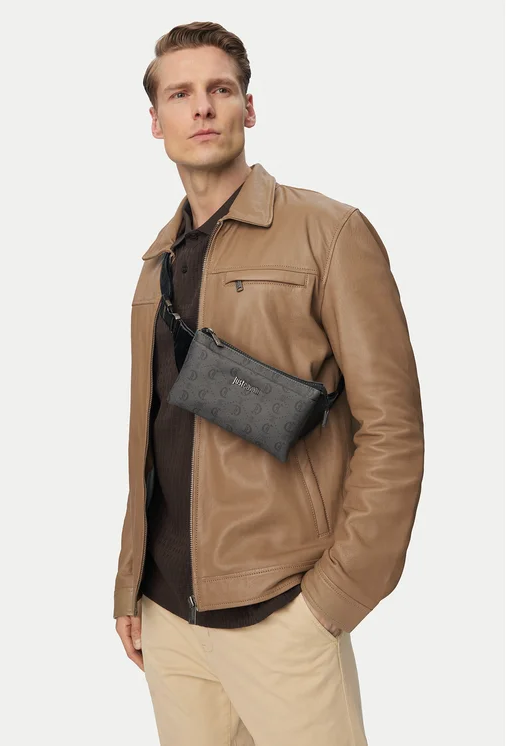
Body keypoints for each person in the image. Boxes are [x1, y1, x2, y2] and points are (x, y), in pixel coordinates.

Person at [113, 20, 425, 746]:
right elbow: (150, 438)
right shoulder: (155, 267)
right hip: (169, 619)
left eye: (220, 89)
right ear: (155, 122)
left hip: (282, 610)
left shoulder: (329, 233)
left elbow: (394, 427)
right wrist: (130, 581)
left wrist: (332, 600)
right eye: (180, 94)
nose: (202, 107)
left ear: (248, 108)